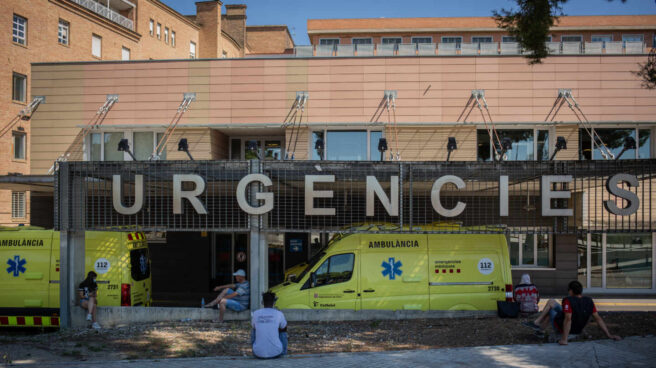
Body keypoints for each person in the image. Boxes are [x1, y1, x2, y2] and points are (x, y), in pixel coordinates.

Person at [522, 280, 621, 344]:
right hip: (578, 327)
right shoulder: (589, 301)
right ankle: (539, 328)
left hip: (570, 328)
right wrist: (609, 335)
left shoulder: (568, 300)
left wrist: (564, 339)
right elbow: (598, 318)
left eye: (569, 290)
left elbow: (568, 319)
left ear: (571, 291)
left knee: (550, 309)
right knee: (551, 302)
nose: (568, 291)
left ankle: (538, 326)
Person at [251, 292, 287, 359]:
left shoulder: (256, 313)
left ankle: (255, 350)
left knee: (254, 330)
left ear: (262, 302)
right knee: (283, 331)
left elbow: (254, 327)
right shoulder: (279, 314)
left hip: (258, 353)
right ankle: (283, 352)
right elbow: (284, 328)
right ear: (274, 303)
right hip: (276, 352)